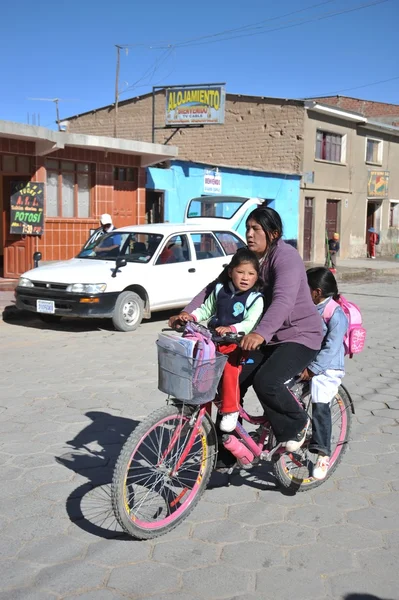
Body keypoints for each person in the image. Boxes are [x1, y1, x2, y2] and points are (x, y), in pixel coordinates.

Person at [170, 207, 324, 456]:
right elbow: (214, 288)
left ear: (273, 234)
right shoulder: (246, 258)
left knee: (267, 381)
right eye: (248, 228)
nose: (249, 234)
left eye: (256, 229)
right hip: (265, 336)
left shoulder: (286, 258)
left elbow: (283, 301)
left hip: (299, 335)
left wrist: (260, 333)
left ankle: (298, 424)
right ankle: (229, 452)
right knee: (229, 382)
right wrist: (187, 313)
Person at [176, 248, 264, 432]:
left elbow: (250, 323)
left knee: (230, 371)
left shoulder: (255, 299)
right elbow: (206, 310)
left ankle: (231, 410)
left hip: (235, 344)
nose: (245, 277)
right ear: (231, 272)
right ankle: (199, 410)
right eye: (240, 272)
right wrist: (191, 316)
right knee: (201, 372)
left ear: (257, 276)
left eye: (251, 273)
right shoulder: (219, 290)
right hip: (213, 342)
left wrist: (232, 329)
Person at [301, 267, 348, 480]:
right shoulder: (310, 306)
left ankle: (323, 453)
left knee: (320, 400)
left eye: (306, 288)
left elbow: (331, 347)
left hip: (327, 367)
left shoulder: (335, 314)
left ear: (317, 292)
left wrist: (313, 369)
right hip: (305, 360)